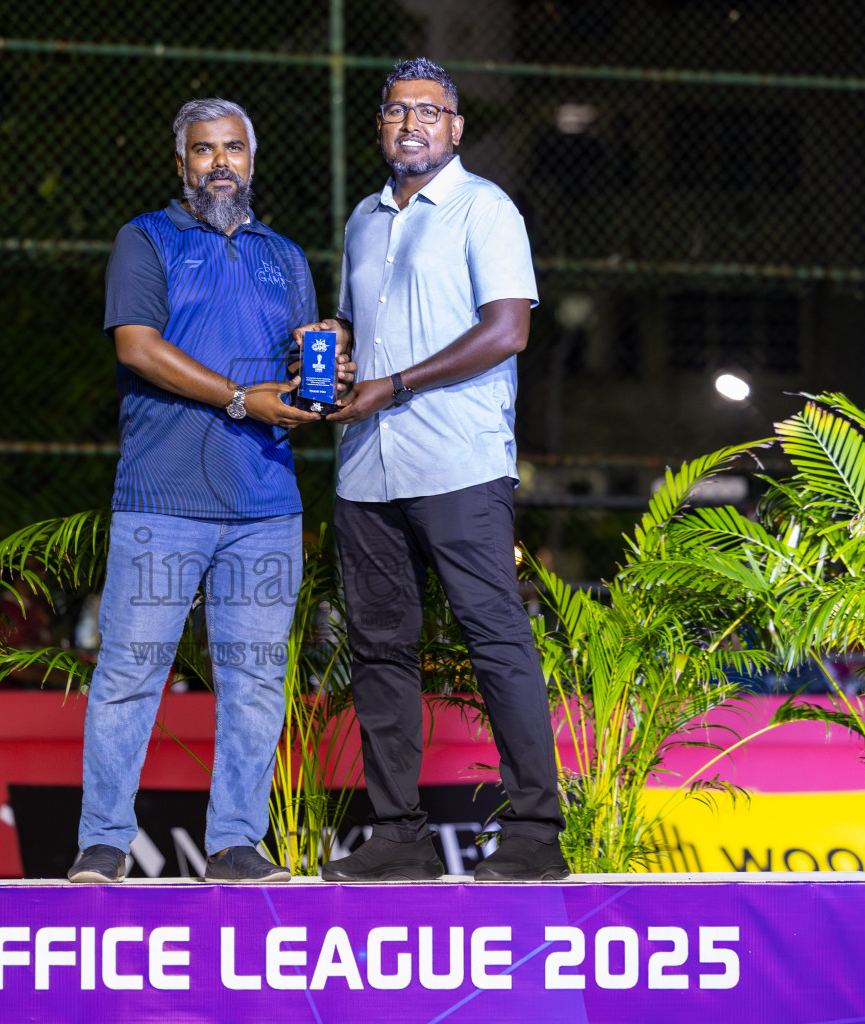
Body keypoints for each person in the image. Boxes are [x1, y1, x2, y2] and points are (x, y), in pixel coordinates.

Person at [316, 58, 570, 882]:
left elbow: (508, 331)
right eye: (397, 111)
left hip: (457, 464)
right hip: (366, 470)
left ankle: (535, 832)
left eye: (430, 110)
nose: (412, 123)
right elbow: (360, 331)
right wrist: (338, 349)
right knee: (382, 651)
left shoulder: (484, 208)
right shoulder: (361, 220)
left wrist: (395, 383)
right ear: (380, 126)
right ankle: (399, 835)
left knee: (496, 639)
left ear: (455, 127)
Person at [67, 97, 328, 884]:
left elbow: (302, 371)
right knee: (129, 674)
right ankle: (103, 844)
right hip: (160, 502)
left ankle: (236, 844)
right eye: (204, 150)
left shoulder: (285, 257)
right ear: (180, 163)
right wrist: (243, 398)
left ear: (253, 160)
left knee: (254, 680)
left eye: (234, 149)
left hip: (266, 507)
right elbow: (139, 348)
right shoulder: (144, 239)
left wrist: (325, 383)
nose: (221, 163)